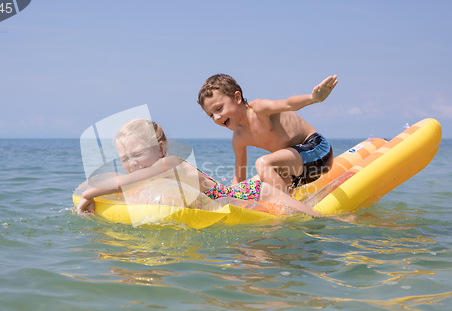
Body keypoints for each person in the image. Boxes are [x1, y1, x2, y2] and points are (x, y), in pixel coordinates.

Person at [76, 119, 319, 216]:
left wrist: (89, 193)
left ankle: (340, 220)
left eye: (138, 154)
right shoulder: (150, 177)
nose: (132, 163)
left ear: (161, 149)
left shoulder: (169, 163)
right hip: (236, 193)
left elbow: (123, 182)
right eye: (125, 158)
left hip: (254, 195)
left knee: (317, 221)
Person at [197, 74, 337, 194]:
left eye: (219, 109)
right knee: (253, 185)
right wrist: (230, 199)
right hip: (296, 172)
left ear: (237, 97)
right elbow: (239, 179)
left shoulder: (259, 109)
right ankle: (284, 207)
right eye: (211, 115)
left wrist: (313, 98)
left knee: (263, 163)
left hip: (319, 152)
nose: (216, 117)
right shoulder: (239, 138)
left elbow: (289, 104)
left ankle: (288, 211)